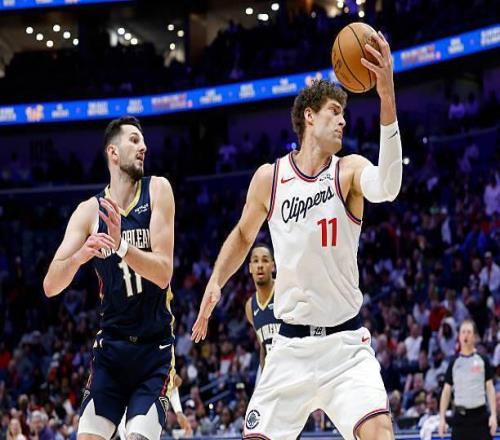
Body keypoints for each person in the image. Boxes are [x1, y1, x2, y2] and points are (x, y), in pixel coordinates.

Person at [192, 31, 402, 440]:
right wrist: (216, 280)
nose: (343, 120)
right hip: (288, 349)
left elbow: (389, 186)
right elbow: (242, 235)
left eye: (344, 113)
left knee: (380, 433)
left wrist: (387, 97)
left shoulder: (348, 170)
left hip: (345, 347)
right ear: (309, 116)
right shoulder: (269, 178)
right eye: (334, 111)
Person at [43, 116, 176, 440]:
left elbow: (163, 274)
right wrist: (80, 256)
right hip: (111, 352)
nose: (143, 147)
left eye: (143, 140)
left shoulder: (158, 189)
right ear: (113, 152)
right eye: (134, 140)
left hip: (154, 350)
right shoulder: (89, 211)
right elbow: (50, 285)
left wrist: (120, 246)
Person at [438, 319, 497, 440]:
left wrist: (493, 415)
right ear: (459, 336)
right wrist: (442, 419)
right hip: (460, 419)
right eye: (463, 332)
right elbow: (446, 391)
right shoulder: (454, 363)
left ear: (474, 337)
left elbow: (490, 389)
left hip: (480, 418)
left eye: (469, 332)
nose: (466, 335)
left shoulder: (483, 360)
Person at [244, 243, 282, 371]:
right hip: (273, 374)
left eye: (265, 260)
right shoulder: (250, 306)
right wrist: (265, 375)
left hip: (295, 369)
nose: (260, 265)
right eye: (255, 261)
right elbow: (263, 346)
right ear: (250, 268)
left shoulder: (284, 291)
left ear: (273, 266)